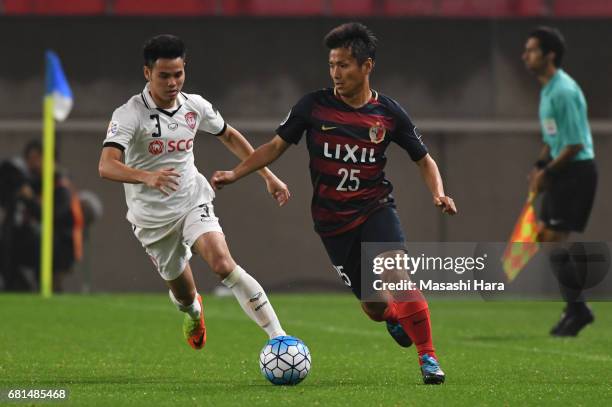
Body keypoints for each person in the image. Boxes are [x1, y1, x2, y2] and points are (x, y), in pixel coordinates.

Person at [211, 22, 457, 384]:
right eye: (332, 65)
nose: (336, 73)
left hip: (376, 208)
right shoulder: (314, 106)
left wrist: (438, 192)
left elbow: (424, 159)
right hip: (332, 223)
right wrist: (237, 173)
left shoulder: (388, 113)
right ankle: (393, 317)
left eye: (344, 65)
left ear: (367, 66)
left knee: (397, 275)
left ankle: (429, 359)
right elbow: (275, 146)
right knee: (374, 307)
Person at [98, 34, 289, 350]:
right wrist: (147, 176)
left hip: (192, 200)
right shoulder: (129, 114)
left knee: (223, 264)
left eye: (178, 74)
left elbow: (229, 136)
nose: (173, 82)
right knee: (185, 295)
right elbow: (106, 166)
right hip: (152, 220)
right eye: (164, 75)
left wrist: (267, 175)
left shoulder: (195, 106)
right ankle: (194, 310)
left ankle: (279, 337)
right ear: (147, 73)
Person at [522, 27, 598, 337]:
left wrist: (547, 173)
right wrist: (540, 165)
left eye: (531, 50)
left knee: (553, 237)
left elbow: (575, 143)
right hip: (560, 170)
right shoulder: (548, 89)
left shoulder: (564, 91)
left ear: (549, 55)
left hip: (576, 172)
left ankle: (578, 309)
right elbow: (553, 138)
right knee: (547, 237)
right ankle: (576, 307)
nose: (525, 55)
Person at [0, 140, 83, 292]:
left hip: (62, 248)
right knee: (7, 243)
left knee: (50, 288)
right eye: (30, 160)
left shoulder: (62, 187)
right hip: (40, 244)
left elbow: (50, 217)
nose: (34, 165)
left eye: (37, 159)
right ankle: (17, 287)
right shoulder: (34, 183)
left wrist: (29, 199)